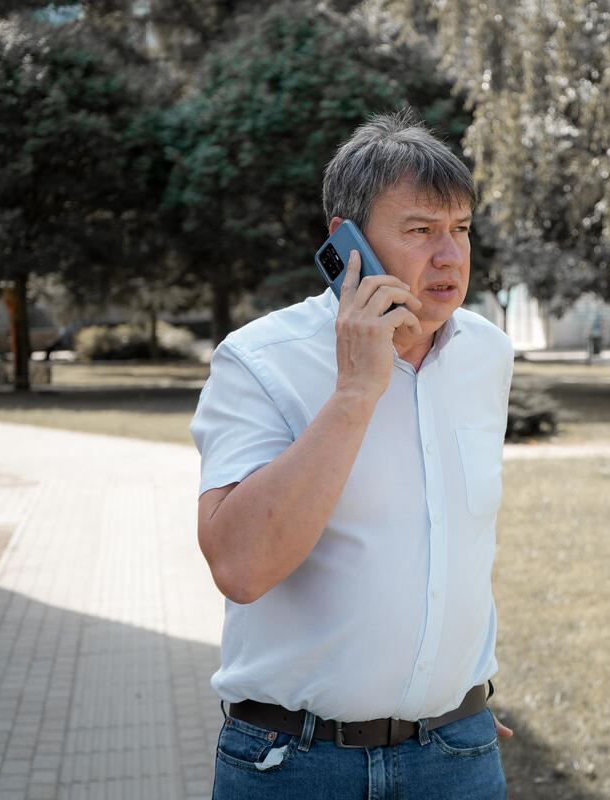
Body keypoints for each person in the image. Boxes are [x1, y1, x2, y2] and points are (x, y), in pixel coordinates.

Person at [190, 109, 514, 799]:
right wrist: (356, 392)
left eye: (460, 229)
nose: (450, 256)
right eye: (421, 230)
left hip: (457, 755)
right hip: (296, 765)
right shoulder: (258, 362)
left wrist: (455, 695)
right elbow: (240, 566)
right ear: (348, 242)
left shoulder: (488, 353)